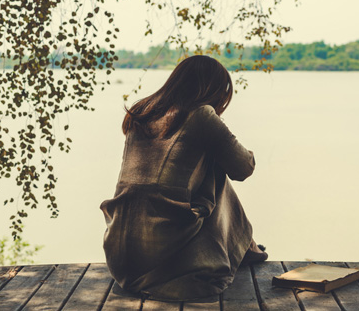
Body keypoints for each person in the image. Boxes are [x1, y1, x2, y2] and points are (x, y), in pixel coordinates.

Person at [100, 55, 268, 301]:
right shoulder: (201, 115)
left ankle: (246, 247)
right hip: (163, 252)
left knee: (206, 162)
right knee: (216, 169)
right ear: (211, 90)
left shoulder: (141, 111)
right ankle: (244, 248)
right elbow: (243, 167)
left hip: (121, 254)